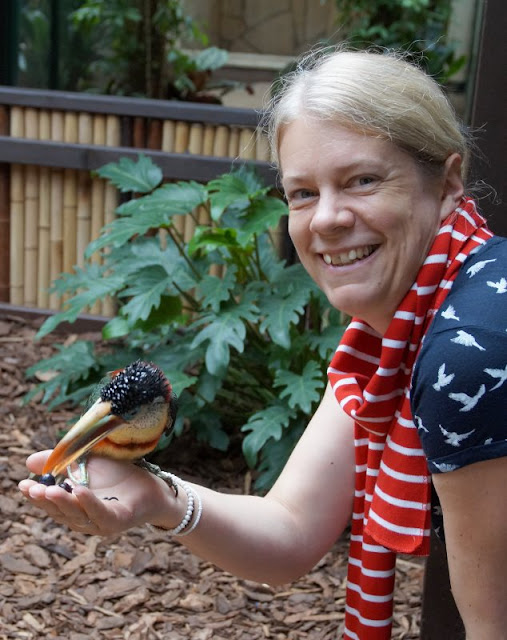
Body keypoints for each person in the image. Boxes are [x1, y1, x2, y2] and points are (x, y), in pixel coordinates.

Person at [19, 49, 507, 640]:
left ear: (448, 182)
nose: (326, 219)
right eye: (302, 193)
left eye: (363, 181)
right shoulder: (400, 330)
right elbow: (291, 531)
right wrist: (159, 497)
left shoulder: (470, 350)